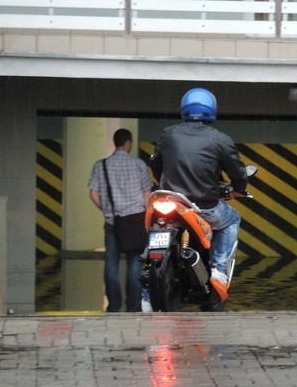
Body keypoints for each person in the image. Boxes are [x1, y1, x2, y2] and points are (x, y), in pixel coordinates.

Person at [150, 87, 248, 298]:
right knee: (232, 220)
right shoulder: (220, 139)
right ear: (212, 109)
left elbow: (156, 163)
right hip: (204, 206)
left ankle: (146, 298)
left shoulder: (168, 134)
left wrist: (163, 183)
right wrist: (239, 189)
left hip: (170, 201)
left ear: (184, 108)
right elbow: (237, 172)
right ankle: (219, 270)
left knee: (154, 229)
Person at [88, 128, 153, 312]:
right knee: (135, 263)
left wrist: (107, 210)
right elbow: (147, 195)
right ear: (128, 143)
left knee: (111, 264)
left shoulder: (101, 165)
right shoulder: (139, 165)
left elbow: (93, 194)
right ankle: (133, 306)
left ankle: (114, 305)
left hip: (113, 222)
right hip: (135, 221)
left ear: (116, 142)